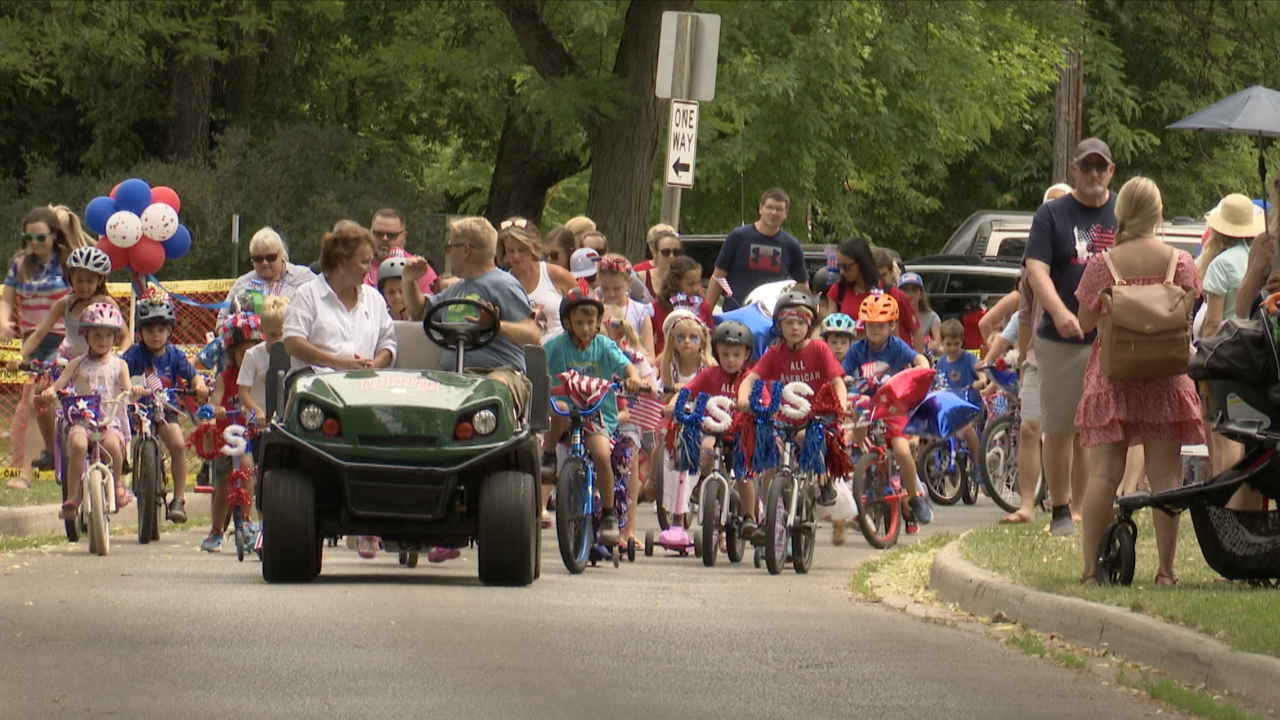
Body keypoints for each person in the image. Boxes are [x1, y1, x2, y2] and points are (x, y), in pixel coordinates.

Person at [1074, 176, 1202, 587]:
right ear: (1158, 213)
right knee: (1165, 476)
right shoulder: (1180, 262)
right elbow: (1188, 311)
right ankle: (1165, 571)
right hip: (1165, 377)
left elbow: (1085, 322)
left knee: (1104, 475)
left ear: (1121, 211)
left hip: (1114, 378)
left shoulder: (1102, 265)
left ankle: (1093, 570)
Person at [1022, 137, 1118, 537]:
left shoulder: (1122, 212)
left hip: (1111, 337)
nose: (1094, 174)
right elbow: (1036, 270)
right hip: (1062, 338)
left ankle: (1085, 508)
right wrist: (1061, 313)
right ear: (1073, 170)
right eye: (1087, 166)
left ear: (1111, 171)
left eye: (1102, 167)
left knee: (1098, 431)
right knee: (1060, 427)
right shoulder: (1052, 215)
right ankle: (1060, 508)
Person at [404, 217, 540, 415]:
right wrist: (409, 280)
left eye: (450, 247)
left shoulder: (504, 284)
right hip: (454, 377)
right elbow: (419, 311)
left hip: (499, 374)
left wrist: (495, 325)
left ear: (465, 250)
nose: (448, 253)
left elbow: (532, 333)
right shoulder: (456, 289)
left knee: (491, 390)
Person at [542, 289, 642, 545]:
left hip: (596, 413)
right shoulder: (557, 345)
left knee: (601, 455)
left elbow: (626, 365)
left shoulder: (605, 346)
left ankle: (608, 514)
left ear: (599, 322)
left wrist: (633, 377)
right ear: (567, 323)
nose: (585, 328)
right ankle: (550, 455)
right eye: (578, 323)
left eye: (590, 323)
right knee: (560, 406)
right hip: (564, 414)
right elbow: (537, 361)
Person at [737, 291, 848, 514]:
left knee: (804, 436)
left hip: (815, 420)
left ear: (809, 325)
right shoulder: (775, 353)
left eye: (800, 322)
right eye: (789, 322)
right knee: (770, 457)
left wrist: (841, 405)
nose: (794, 328)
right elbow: (750, 379)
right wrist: (742, 399)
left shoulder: (820, 349)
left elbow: (838, 382)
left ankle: (822, 480)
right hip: (782, 420)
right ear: (779, 325)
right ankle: (770, 512)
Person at [843, 293, 933, 532]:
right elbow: (841, 375)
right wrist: (842, 388)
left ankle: (914, 495)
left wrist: (922, 366)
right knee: (859, 409)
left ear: (892, 325)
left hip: (894, 409)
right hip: (868, 408)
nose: (874, 329)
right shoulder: (857, 350)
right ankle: (857, 453)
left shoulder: (897, 347)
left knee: (903, 451)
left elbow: (917, 358)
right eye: (870, 324)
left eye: (880, 325)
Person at [42, 302, 138, 520]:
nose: (102, 341)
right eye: (96, 336)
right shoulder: (77, 364)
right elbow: (60, 384)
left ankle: (118, 484)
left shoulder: (119, 365)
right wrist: (50, 390)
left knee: (114, 446)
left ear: (115, 337)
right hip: (82, 420)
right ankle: (72, 497)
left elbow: (128, 388)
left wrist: (134, 392)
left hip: (109, 421)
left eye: (107, 335)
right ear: (86, 336)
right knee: (77, 444)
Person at [120, 289, 209, 522]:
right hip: (136, 410)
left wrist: (199, 385)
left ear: (170, 330)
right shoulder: (133, 355)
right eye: (150, 329)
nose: (156, 335)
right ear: (140, 331)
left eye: (161, 329)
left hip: (164, 409)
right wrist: (127, 387)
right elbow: (117, 373)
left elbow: (194, 375)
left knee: (178, 444)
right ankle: (122, 467)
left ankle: (178, 499)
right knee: (117, 434)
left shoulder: (175, 356)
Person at [1197, 194, 1265, 480]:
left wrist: (1202, 359)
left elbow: (1212, 322)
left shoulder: (1221, 265)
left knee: (1223, 433)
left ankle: (1225, 493)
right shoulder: (1260, 260)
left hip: (1226, 357)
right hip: (1257, 355)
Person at [3, 207, 71, 488]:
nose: (34, 243)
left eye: (40, 237)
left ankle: (63, 454)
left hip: (65, 340)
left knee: (51, 399)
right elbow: (6, 299)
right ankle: (28, 471)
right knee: (33, 403)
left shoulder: (67, 262)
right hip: (34, 340)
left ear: (54, 236)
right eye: (28, 237)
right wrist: (4, 321)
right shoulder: (20, 264)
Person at [283, 223, 396, 372]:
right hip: (313, 383)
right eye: (363, 262)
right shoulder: (306, 294)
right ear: (340, 262)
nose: (369, 269)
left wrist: (374, 365)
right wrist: (339, 364)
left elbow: (388, 343)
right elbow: (293, 343)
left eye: (370, 262)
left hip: (362, 385)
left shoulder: (375, 299)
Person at [201, 311, 263, 553]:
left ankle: (247, 521)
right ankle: (216, 530)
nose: (247, 358)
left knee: (248, 468)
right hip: (227, 438)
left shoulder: (259, 378)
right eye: (241, 353)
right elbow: (215, 400)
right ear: (232, 354)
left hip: (249, 438)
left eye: (252, 352)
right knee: (221, 487)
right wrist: (215, 409)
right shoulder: (225, 378)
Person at [600, 301, 661, 544]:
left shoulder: (633, 358)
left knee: (629, 461)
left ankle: (629, 529)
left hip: (627, 421)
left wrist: (642, 384)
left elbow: (652, 388)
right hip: (599, 418)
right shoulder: (592, 354)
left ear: (619, 334)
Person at [706, 188, 809, 311]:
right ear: (760, 209)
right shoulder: (738, 236)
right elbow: (718, 277)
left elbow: (803, 287)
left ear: (786, 213)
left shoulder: (791, 245)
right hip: (735, 315)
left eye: (779, 209)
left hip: (771, 319)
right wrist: (706, 313)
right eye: (769, 207)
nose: (774, 212)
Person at [822, 236, 920, 349]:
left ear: (861, 263)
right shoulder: (838, 290)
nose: (842, 272)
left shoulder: (888, 292)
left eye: (846, 267)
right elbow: (829, 332)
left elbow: (896, 337)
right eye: (840, 267)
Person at [499, 217, 575, 343]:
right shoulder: (503, 284)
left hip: (559, 356)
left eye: (522, 249)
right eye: (510, 251)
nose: (516, 256)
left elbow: (584, 309)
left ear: (532, 247)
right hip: (519, 358)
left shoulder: (556, 275)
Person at [934, 319, 989, 490]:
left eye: (956, 344)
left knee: (968, 433)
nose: (952, 348)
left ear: (962, 342)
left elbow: (980, 372)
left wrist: (981, 381)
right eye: (948, 344)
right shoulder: (941, 362)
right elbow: (935, 379)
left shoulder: (968, 358)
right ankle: (937, 462)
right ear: (941, 343)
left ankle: (979, 466)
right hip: (950, 407)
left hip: (969, 406)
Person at [220, 227, 316, 325]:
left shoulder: (305, 278)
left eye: (270, 257)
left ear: (281, 254)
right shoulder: (243, 284)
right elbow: (221, 321)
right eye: (258, 259)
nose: (265, 263)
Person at [652, 256, 715, 357]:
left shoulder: (702, 306)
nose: (695, 289)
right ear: (675, 281)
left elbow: (710, 336)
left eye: (697, 283)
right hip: (665, 360)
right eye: (691, 284)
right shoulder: (657, 306)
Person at [237, 296, 288, 420]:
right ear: (261, 329)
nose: (279, 339)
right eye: (273, 334)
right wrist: (257, 411)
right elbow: (243, 392)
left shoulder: (295, 354)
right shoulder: (252, 355)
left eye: (283, 333)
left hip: (287, 422)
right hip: (260, 424)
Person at [597, 255, 655, 361]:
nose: (611, 293)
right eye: (604, 288)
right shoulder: (595, 310)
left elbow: (650, 357)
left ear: (629, 282)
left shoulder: (640, 311)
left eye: (617, 288)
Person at [366, 208, 438, 294]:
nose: (384, 239)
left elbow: (430, 305)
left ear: (404, 237)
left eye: (391, 235)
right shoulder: (357, 266)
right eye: (378, 234)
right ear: (370, 234)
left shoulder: (419, 269)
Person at [637, 227, 683, 301]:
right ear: (655, 253)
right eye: (666, 252)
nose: (671, 256)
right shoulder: (642, 278)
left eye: (676, 252)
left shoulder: (686, 278)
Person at [898, 272, 940, 352]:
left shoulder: (932, 317)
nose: (909, 294)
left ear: (921, 294)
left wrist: (934, 345)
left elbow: (940, 344)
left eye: (914, 290)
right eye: (905, 290)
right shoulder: (893, 316)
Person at [376, 256, 410, 320]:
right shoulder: (379, 319)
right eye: (391, 292)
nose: (397, 296)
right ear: (383, 293)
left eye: (402, 291)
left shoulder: (421, 319)